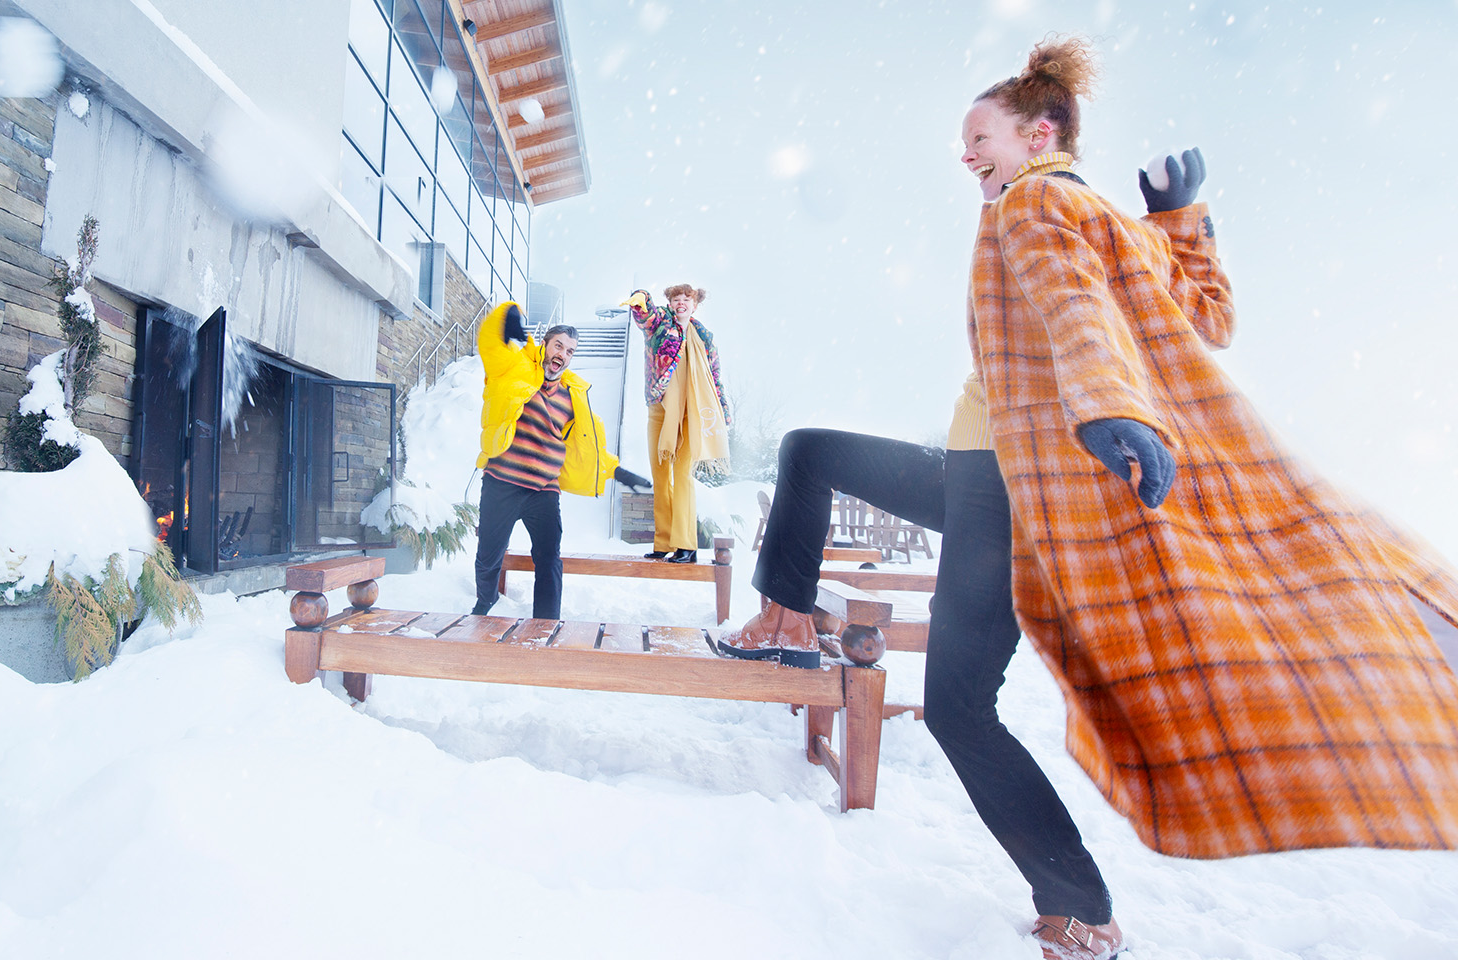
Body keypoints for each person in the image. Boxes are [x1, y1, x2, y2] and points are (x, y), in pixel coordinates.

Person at [737, 35, 1458, 960]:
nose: (966, 156)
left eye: (978, 136)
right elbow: (1208, 319)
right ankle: (788, 621)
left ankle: (1079, 908)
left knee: (959, 706)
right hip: (976, 469)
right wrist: (1180, 217)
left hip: (1004, 482)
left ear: (1040, 135)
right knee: (810, 451)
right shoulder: (1106, 218)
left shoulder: (1033, 204)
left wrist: (1111, 406)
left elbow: (1076, 310)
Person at [470, 303, 642, 619]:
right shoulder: (513, 367)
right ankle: (484, 604)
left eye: (571, 350)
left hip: (544, 491)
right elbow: (489, 342)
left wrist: (617, 471)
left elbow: (590, 446)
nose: (563, 354)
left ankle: (546, 623)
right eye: (559, 345)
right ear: (546, 345)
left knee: (549, 559)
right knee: (488, 557)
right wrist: (505, 317)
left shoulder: (573, 395)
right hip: (501, 483)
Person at [625, 284, 731, 564]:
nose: (681, 303)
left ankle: (686, 545)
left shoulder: (704, 338)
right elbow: (644, 315)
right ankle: (663, 542)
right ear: (670, 303)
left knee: (682, 477)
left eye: (687, 299)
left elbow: (715, 377)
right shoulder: (661, 325)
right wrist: (641, 297)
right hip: (659, 411)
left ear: (695, 305)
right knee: (660, 478)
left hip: (690, 413)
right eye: (676, 299)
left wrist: (723, 410)